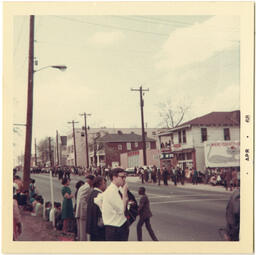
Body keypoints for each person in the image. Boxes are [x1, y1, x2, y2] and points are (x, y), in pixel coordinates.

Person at [101, 168, 129, 241]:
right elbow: (121, 209)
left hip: (119, 225)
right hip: (115, 228)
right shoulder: (111, 191)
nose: (124, 179)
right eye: (122, 177)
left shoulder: (118, 189)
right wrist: (125, 193)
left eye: (125, 177)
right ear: (114, 177)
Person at [86, 176, 107, 241]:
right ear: (99, 184)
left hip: (92, 227)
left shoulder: (92, 193)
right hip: (99, 229)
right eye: (104, 183)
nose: (106, 185)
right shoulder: (99, 195)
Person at [75, 175, 95, 241]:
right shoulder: (87, 187)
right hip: (82, 213)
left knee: (81, 231)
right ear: (91, 180)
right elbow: (82, 200)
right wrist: (86, 211)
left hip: (79, 211)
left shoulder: (83, 187)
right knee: (83, 231)